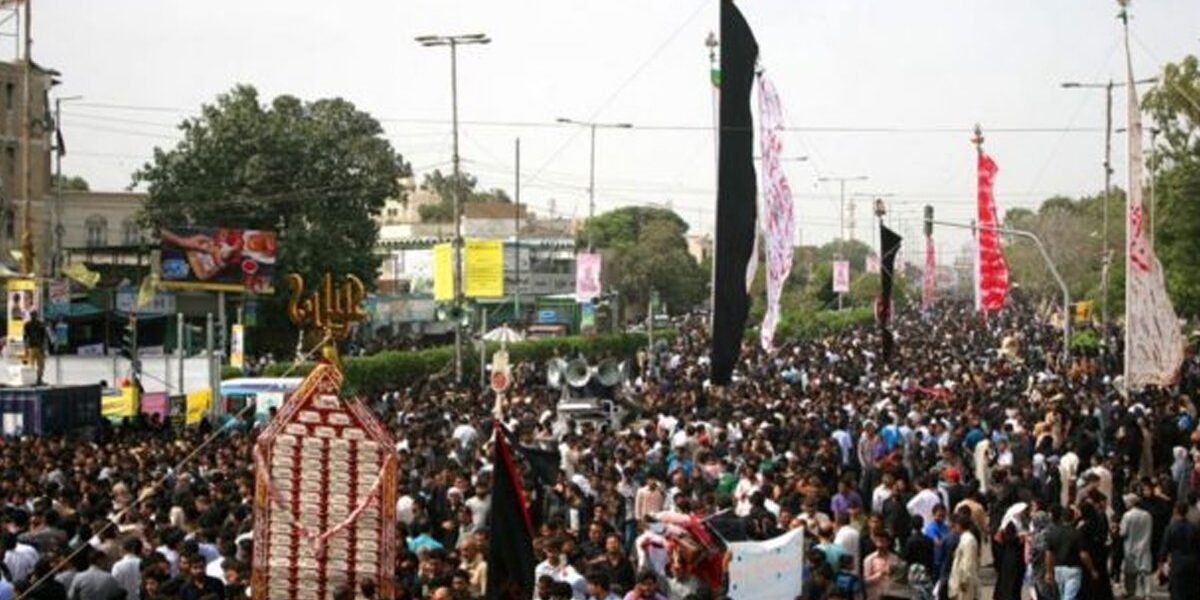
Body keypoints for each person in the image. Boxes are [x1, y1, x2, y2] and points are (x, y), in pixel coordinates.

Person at [1158, 502, 1200, 600]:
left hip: (1177, 564)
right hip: (1193, 564)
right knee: (1193, 593)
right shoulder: (1194, 528)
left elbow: (1164, 549)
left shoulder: (1170, 528)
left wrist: (1161, 566)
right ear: (1187, 512)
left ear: (1175, 511)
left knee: (1177, 593)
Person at [1119, 493, 1153, 600]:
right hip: (1145, 546)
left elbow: (1123, 532)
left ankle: (1131, 592)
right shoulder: (1148, 515)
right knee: (1145, 571)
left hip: (1130, 546)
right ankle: (1147, 593)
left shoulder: (1127, 516)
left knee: (1130, 572)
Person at [991, 502, 1027, 600]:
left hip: (1016, 555)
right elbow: (1008, 539)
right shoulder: (1010, 523)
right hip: (1011, 555)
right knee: (1010, 579)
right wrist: (1020, 538)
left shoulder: (1018, 522)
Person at [947, 513, 979, 600]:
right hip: (961, 578)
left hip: (964, 582)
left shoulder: (968, 540)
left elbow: (968, 562)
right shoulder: (964, 538)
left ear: (960, 525)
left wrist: (964, 580)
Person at [863, 532, 900, 600]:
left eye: (883, 541)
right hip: (874, 596)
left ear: (888, 543)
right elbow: (866, 581)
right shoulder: (869, 559)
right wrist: (880, 574)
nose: (880, 544)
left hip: (891, 595)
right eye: (878, 541)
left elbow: (899, 578)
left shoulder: (894, 559)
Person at [22, 310, 48, 386]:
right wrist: (26, 347)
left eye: (34, 315)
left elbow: (43, 337)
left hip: (35, 347)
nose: (33, 316)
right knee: (35, 365)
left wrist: (26, 347)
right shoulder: (30, 324)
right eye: (33, 315)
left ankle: (37, 380)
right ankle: (36, 380)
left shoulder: (32, 324)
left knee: (38, 365)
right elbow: (25, 336)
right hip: (34, 347)